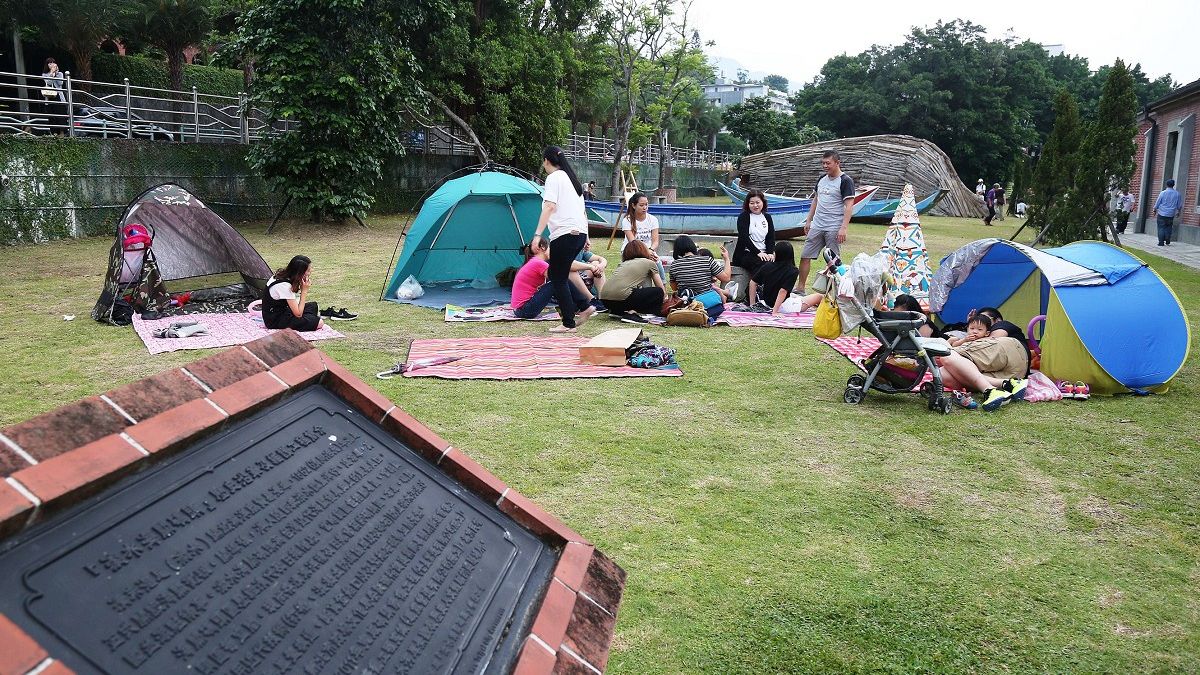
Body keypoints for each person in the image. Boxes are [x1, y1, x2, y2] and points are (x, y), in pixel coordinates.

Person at [530, 146, 594, 332]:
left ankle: (569, 322)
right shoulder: (573, 180)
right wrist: (586, 236)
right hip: (578, 234)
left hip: (564, 235)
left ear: (547, 161)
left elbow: (549, 206)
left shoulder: (554, 178)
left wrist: (537, 234)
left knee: (556, 276)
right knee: (559, 274)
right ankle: (584, 305)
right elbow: (582, 212)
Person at [798, 149, 855, 294]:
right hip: (817, 224)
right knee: (805, 255)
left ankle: (832, 292)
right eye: (823, 163)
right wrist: (808, 220)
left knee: (833, 262)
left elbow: (849, 206)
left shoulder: (845, 181)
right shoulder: (821, 179)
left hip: (834, 226)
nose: (825, 166)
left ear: (837, 163)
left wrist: (843, 228)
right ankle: (800, 287)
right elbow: (816, 200)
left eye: (828, 163)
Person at [511, 239, 596, 321]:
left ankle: (578, 307)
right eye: (549, 248)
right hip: (524, 310)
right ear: (542, 248)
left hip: (521, 309)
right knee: (558, 282)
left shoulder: (533, 261)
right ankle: (584, 306)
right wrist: (589, 267)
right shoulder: (538, 263)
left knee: (558, 282)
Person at [599, 240, 665, 322]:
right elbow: (661, 288)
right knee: (658, 292)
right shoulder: (649, 263)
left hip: (605, 300)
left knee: (631, 291)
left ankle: (617, 311)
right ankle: (632, 313)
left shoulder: (622, 264)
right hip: (623, 298)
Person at [262, 255, 324, 331]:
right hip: (274, 319)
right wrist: (304, 291)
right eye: (308, 270)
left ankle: (307, 320)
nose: (311, 271)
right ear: (299, 272)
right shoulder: (285, 285)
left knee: (313, 306)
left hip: (283, 310)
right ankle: (307, 320)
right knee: (320, 323)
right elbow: (298, 314)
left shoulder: (283, 275)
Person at [732, 189, 776, 276]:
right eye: (752, 203)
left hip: (764, 252)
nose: (755, 205)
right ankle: (754, 287)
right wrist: (758, 253)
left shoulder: (767, 217)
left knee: (783, 260)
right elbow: (744, 237)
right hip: (747, 253)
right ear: (748, 204)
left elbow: (771, 237)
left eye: (757, 202)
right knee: (763, 264)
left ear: (763, 202)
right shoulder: (743, 217)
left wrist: (770, 252)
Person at [748, 241, 800, 314]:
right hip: (782, 305)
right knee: (817, 297)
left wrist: (752, 304)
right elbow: (783, 291)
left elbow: (753, 282)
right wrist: (775, 311)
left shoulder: (768, 266)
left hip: (766, 303)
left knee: (796, 297)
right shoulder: (793, 270)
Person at [1152, 179, 1182, 246]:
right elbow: (1179, 205)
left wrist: (1154, 210)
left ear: (1166, 184)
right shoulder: (1177, 194)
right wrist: (1178, 212)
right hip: (1171, 214)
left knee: (1161, 227)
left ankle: (1161, 242)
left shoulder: (1163, 193)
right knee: (1169, 227)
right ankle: (1168, 239)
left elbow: (1158, 202)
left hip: (1162, 213)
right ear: (1173, 185)